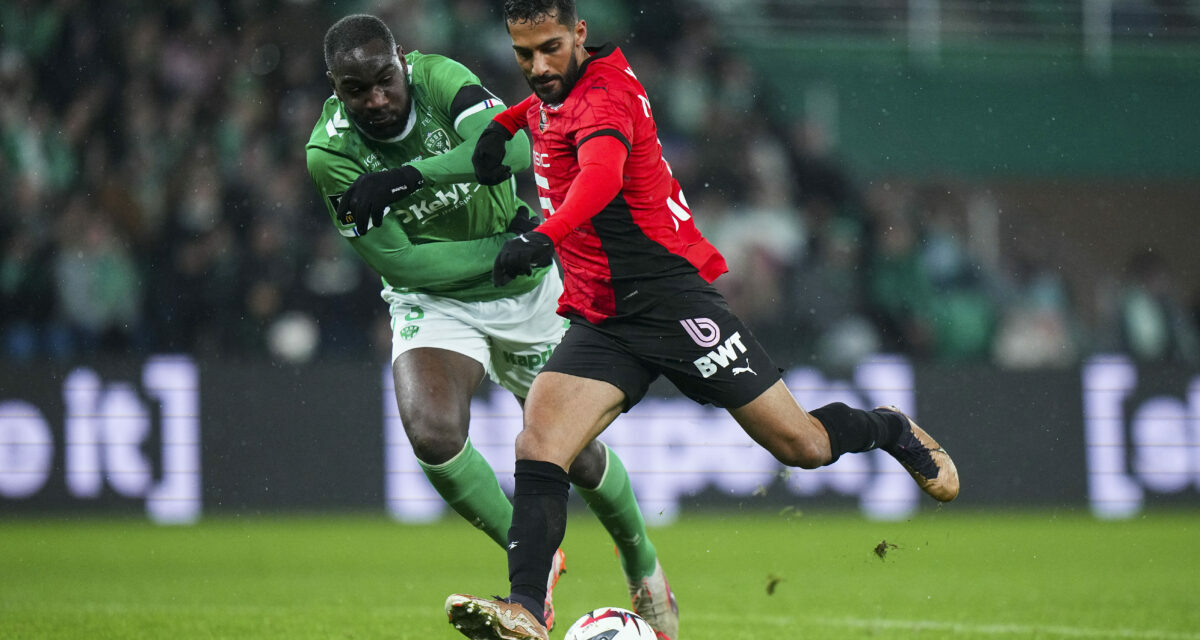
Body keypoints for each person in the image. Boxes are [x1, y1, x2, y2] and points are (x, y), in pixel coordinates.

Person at [441, 2, 961, 639]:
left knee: (801, 446)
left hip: (672, 304)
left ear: (579, 32)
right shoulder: (560, 86)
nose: (538, 67)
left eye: (550, 48)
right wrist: (505, 121)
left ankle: (887, 427)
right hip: (603, 318)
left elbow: (600, 177)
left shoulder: (606, 99)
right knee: (540, 441)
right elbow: (549, 107)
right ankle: (526, 608)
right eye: (524, 55)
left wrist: (544, 236)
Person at [305, 14, 670, 631]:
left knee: (575, 457)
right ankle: (531, 552)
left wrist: (409, 177)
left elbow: (514, 148)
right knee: (432, 433)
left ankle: (642, 562)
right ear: (333, 87)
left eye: (385, 80)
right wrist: (507, 244)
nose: (377, 100)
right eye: (355, 89)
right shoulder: (331, 153)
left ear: (402, 60)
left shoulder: (443, 79)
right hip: (438, 299)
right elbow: (402, 261)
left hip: (528, 295)